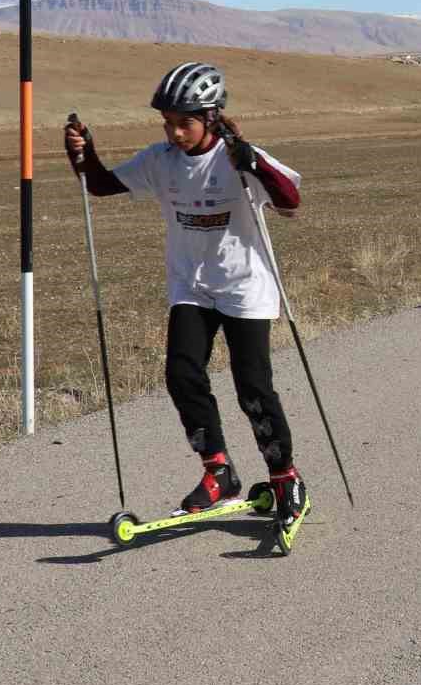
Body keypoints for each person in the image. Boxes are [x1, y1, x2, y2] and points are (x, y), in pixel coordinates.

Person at [63, 62, 311, 535]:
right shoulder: (161, 161)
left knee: (253, 388)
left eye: (185, 123)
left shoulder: (238, 158)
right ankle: (219, 472)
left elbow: (289, 201)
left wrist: (252, 161)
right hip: (191, 285)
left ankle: (285, 479)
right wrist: (84, 153)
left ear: (212, 118)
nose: (174, 132)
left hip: (244, 288)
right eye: (168, 123)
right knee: (181, 374)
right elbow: (101, 184)